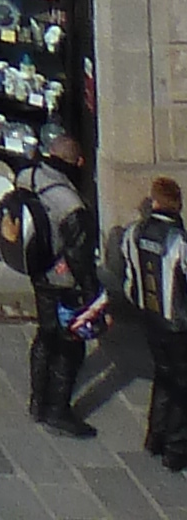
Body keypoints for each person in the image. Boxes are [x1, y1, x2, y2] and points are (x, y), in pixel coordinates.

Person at [0, 132, 103, 436]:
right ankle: (58, 410)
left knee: (45, 334)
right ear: (77, 161)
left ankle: (37, 401)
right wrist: (91, 293)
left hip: (38, 271)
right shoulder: (72, 204)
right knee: (71, 345)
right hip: (63, 280)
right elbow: (79, 255)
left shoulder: (27, 175)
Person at [116, 174, 187, 469]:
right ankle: (176, 450)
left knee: (163, 375)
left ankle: (154, 437)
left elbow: (129, 276)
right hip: (178, 324)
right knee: (182, 385)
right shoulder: (178, 240)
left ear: (155, 202)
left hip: (149, 318)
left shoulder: (133, 232)